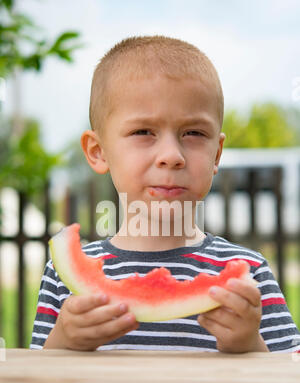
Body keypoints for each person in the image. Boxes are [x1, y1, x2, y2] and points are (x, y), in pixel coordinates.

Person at [30, 35, 300, 353]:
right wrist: (64, 342)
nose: (171, 155)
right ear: (98, 151)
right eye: (143, 132)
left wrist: (249, 345)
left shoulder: (249, 275)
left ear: (217, 154)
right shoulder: (62, 279)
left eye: (194, 133)